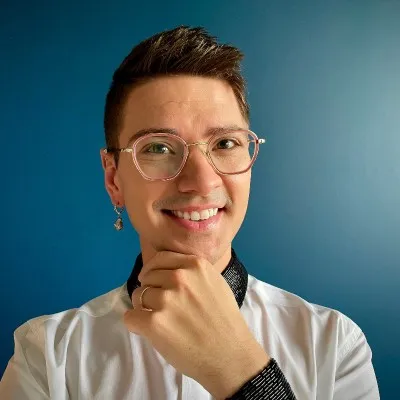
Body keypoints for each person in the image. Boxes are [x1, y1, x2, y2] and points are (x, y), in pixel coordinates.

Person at [0, 25, 380, 400]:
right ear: (114, 178)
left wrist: (243, 372)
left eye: (226, 143)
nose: (201, 181)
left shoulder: (335, 344)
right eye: (159, 148)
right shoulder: (47, 356)